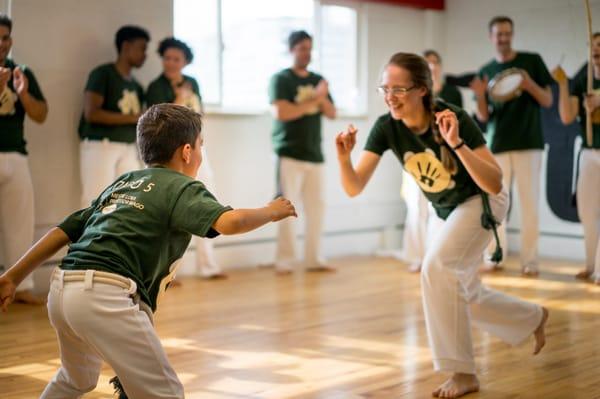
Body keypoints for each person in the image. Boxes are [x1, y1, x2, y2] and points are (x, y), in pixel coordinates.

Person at [0, 104, 297, 398]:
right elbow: (231, 222)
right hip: (103, 296)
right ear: (186, 152)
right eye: (200, 146)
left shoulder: (125, 182)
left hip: (62, 290)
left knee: (75, 378)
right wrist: (270, 210)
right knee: (165, 393)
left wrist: (13, 276)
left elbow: (63, 230)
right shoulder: (182, 187)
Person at [336, 52, 548, 399]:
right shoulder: (386, 127)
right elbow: (354, 186)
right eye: (384, 88)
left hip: (482, 202)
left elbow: (494, 182)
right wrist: (344, 158)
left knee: (435, 269)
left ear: (421, 90)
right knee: (462, 292)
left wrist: (457, 144)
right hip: (448, 210)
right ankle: (532, 318)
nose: (390, 96)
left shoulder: (452, 117)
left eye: (399, 89)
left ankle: (463, 374)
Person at [470, 16, 553, 275]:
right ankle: (494, 258)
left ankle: (530, 262)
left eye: (507, 33)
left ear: (512, 34)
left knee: (530, 205)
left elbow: (548, 100)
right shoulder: (485, 70)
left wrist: (528, 84)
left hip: (529, 144)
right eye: (498, 34)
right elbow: (483, 116)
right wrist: (481, 94)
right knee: (496, 204)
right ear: (491, 37)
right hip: (498, 146)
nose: (503, 38)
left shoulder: (531, 61)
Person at [147, 37, 225, 279]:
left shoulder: (193, 83)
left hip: (196, 149)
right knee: (166, 207)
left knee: (207, 200)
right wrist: (179, 99)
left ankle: (208, 266)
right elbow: (159, 122)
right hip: (169, 154)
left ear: (185, 62)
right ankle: (164, 272)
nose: (170, 63)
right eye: (167, 58)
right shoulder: (155, 86)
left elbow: (198, 116)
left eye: (176, 59)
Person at [269, 30, 336, 274]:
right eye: (301, 48)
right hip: (289, 153)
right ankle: (284, 261)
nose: (306, 53)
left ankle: (314, 259)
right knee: (286, 210)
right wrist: (315, 100)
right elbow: (282, 112)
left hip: (315, 155)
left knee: (317, 208)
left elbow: (331, 113)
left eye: (309, 48)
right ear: (291, 50)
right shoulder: (282, 79)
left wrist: (321, 98)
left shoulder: (319, 79)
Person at [400, 50, 464, 273]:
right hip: (415, 158)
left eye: (436, 62)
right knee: (416, 208)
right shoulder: (411, 93)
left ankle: (435, 256)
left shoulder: (451, 93)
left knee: (438, 209)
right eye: (428, 63)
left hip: (442, 160)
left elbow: (458, 125)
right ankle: (416, 256)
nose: (433, 66)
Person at [0, 14, 48, 304]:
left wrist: (23, 93)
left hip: (17, 156)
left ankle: (21, 286)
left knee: (21, 223)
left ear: (11, 40)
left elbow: (41, 115)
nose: (0, 43)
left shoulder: (22, 72)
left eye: (5, 37)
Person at [78, 25, 149, 208]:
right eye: (142, 48)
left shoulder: (137, 85)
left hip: (127, 146)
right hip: (101, 145)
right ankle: (90, 237)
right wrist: (134, 118)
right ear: (126, 46)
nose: (145, 54)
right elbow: (91, 113)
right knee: (96, 201)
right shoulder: (103, 74)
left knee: (130, 202)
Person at [553, 32, 600, 284]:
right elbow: (567, 116)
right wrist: (562, 84)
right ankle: (591, 265)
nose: (596, 50)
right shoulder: (584, 77)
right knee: (587, 210)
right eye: (593, 45)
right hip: (589, 153)